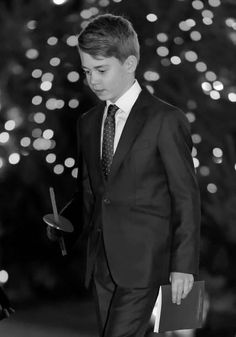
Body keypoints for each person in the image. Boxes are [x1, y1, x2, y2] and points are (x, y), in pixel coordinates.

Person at [47, 13, 201, 337]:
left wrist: (184, 267)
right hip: (103, 264)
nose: (94, 80)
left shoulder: (165, 120)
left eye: (102, 70)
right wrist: (65, 225)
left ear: (130, 63)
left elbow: (186, 197)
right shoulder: (88, 123)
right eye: (88, 71)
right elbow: (90, 190)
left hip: (148, 265)